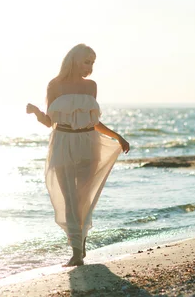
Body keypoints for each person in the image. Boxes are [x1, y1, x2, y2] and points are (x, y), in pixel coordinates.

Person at [26, 43, 130, 267]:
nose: (90, 67)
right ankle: (76, 252)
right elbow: (49, 122)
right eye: (86, 61)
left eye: (92, 63)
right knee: (70, 200)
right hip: (63, 143)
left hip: (87, 144)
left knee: (83, 200)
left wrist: (117, 136)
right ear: (74, 60)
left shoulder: (91, 86)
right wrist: (36, 112)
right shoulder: (54, 85)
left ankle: (79, 248)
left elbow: (93, 122)